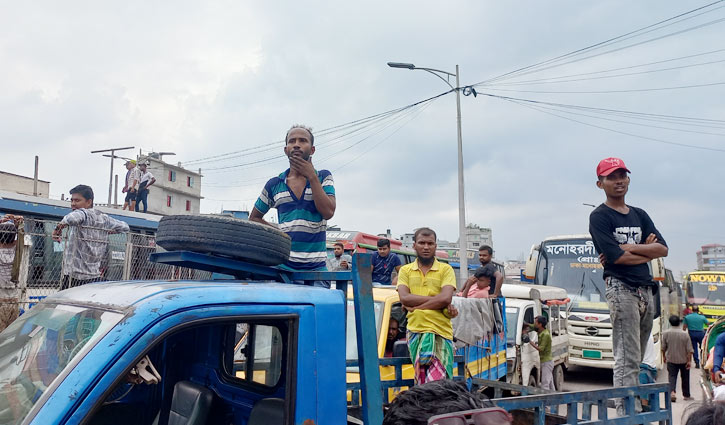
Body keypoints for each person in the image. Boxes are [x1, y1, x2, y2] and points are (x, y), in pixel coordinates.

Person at [588, 157, 668, 415]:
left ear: (629, 179)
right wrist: (647, 250)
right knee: (626, 358)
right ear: (600, 183)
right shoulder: (599, 216)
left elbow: (663, 249)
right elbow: (616, 258)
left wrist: (630, 247)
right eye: (611, 176)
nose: (618, 180)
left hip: (646, 290)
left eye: (622, 175)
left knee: (636, 358)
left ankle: (632, 412)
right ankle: (627, 416)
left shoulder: (640, 214)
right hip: (621, 289)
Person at [249, 125, 336, 287]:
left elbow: (328, 212)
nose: (296, 144)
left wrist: (312, 176)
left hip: (316, 271)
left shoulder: (323, 176)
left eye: (302, 141)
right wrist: (280, 234)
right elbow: (254, 217)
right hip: (283, 270)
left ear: (312, 149)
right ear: (285, 149)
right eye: (292, 141)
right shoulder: (274, 184)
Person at [397, 227, 458, 384]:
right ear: (414, 245)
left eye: (430, 243)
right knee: (422, 383)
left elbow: (445, 299)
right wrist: (435, 300)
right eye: (422, 243)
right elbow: (404, 297)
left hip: (441, 332)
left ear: (435, 246)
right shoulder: (405, 271)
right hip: (416, 331)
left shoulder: (446, 269)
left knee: (441, 385)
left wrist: (414, 306)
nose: (426, 247)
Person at [53, 185, 130, 290]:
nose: (73, 204)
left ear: (88, 202)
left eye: (77, 200)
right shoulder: (104, 219)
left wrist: (58, 228)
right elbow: (125, 227)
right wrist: (104, 231)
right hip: (94, 277)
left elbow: (71, 219)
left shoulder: (82, 214)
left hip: (74, 277)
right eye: (71, 200)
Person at [662, 315, 693, 402]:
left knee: (672, 376)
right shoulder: (685, 334)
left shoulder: (666, 333)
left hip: (671, 359)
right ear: (679, 323)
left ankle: (672, 392)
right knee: (685, 377)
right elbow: (689, 350)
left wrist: (664, 357)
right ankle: (686, 395)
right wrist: (689, 361)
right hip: (684, 360)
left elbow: (663, 347)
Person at [0, 215, 23, 332]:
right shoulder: (17, 250)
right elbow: (21, 239)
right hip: (14, 299)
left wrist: (1, 221)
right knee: (9, 334)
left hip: (1, 298)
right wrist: (18, 225)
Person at [527, 315, 554, 391]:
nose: (534, 324)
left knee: (545, 385)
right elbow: (533, 327)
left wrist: (529, 341)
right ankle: (555, 401)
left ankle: (545, 402)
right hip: (546, 362)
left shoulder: (545, 335)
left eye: (536, 322)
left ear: (540, 324)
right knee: (551, 385)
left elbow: (541, 349)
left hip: (546, 362)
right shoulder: (541, 331)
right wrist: (527, 324)